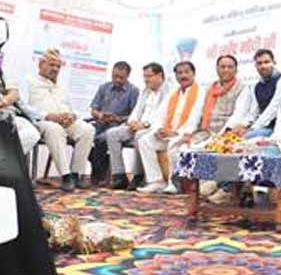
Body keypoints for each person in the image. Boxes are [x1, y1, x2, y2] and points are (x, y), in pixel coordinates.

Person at [25, 48, 96, 192]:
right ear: (41, 64)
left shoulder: (61, 85)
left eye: (58, 66)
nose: (55, 69)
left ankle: (76, 174)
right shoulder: (28, 81)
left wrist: (72, 115)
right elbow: (24, 107)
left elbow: (70, 106)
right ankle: (66, 176)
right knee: (54, 129)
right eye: (52, 65)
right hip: (42, 121)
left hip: (64, 120)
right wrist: (47, 116)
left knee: (87, 129)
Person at [137, 61, 202, 194]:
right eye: (180, 73)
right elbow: (160, 114)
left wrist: (176, 133)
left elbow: (195, 119)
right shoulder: (173, 93)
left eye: (186, 72)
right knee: (144, 141)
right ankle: (156, 181)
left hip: (186, 134)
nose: (183, 76)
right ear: (176, 76)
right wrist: (158, 129)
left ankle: (173, 183)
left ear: (193, 74)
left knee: (174, 144)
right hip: (168, 133)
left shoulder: (200, 93)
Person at [105, 62, 170, 190]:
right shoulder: (145, 91)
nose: (146, 79)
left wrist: (144, 125)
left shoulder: (169, 92)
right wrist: (132, 122)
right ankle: (119, 176)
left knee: (140, 135)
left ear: (160, 76)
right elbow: (136, 110)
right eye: (145, 76)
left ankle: (137, 175)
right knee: (112, 134)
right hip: (138, 126)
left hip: (153, 128)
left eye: (149, 76)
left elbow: (162, 116)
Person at [87, 62, 140, 184]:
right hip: (100, 123)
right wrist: (100, 115)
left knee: (100, 140)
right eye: (115, 76)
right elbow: (93, 110)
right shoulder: (103, 87)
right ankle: (101, 165)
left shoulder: (133, 91)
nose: (117, 80)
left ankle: (98, 175)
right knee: (83, 137)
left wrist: (118, 118)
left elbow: (135, 116)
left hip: (118, 126)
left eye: (121, 77)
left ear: (128, 76)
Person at [228, 49, 281, 138]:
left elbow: (273, 108)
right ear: (256, 66)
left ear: (274, 62)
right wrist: (243, 125)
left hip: (278, 127)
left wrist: (253, 128)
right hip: (261, 126)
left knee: (244, 138)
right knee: (232, 136)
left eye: (267, 62)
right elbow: (254, 112)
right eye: (259, 63)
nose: (263, 66)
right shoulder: (257, 86)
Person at [0, 72, 40, 155]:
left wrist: (2, 102)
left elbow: (15, 94)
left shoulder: (0, 73)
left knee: (32, 134)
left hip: (9, 114)